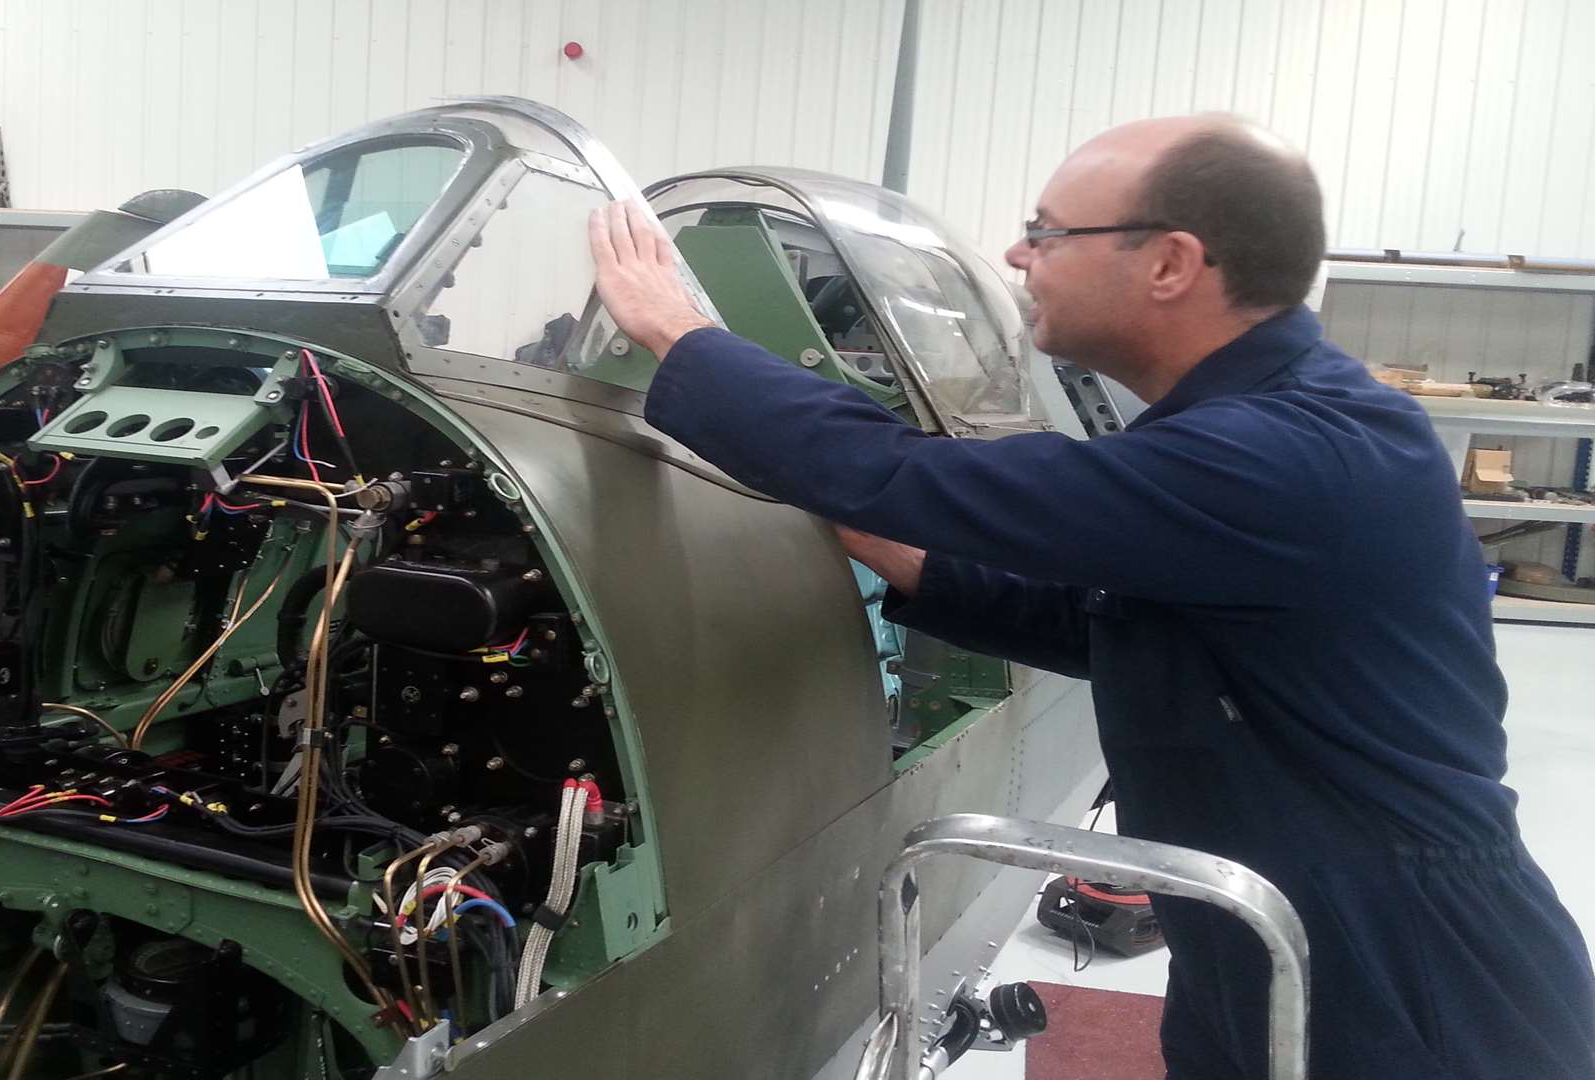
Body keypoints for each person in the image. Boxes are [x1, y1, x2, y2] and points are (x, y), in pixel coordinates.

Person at [587, 115, 1595, 1079]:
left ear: (1170, 264)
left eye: (1047, 232)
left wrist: (684, 337)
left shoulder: (1286, 455)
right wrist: (893, 542)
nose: (1020, 257)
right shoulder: (1265, 430)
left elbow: (903, 470)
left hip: (1406, 978)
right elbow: (1123, 626)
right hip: (1256, 930)